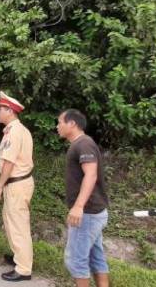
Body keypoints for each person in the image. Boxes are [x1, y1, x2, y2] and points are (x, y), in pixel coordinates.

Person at [56, 109, 109, 287]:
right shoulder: (81, 144)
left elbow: (91, 175)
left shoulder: (83, 144)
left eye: (60, 122)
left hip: (87, 213)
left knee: (76, 260)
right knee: (96, 258)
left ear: (72, 124)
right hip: (93, 212)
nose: (58, 127)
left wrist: (78, 206)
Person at [0, 91, 34, 282]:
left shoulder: (14, 132)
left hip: (16, 184)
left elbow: (9, 163)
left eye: (0, 109)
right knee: (13, 223)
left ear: (9, 110)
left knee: (18, 226)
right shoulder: (18, 130)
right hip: (20, 183)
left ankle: (24, 269)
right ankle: (19, 258)